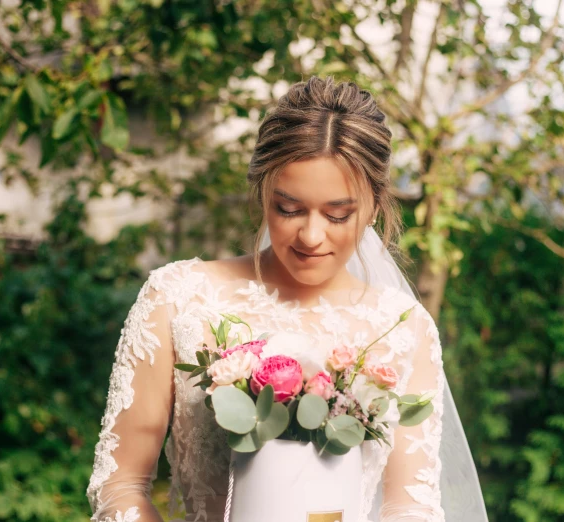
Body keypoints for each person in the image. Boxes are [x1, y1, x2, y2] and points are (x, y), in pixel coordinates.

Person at [86, 76, 487, 522]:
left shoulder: (403, 328)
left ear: (374, 207)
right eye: (289, 209)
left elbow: (412, 507)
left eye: (338, 214)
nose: (312, 236)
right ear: (262, 193)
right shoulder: (178, 300)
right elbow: (120, 484)